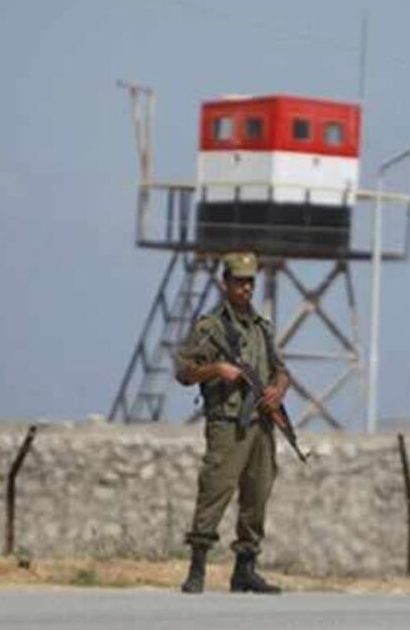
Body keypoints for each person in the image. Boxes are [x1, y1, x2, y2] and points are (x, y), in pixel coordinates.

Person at [174, 251, 289, 594]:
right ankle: (197, 570)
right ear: (225, 283)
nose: (246, 288)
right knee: (215, 492)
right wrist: (217, 370)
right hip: (227, 423)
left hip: (261, 425)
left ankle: (245, 569)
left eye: (250, 282)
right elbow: (183, 371)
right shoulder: (209, 328)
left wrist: (277, 391)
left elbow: (281, 369)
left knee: (257, 496)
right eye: (239, 281)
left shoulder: (261, 328)